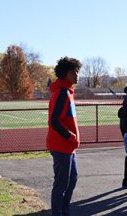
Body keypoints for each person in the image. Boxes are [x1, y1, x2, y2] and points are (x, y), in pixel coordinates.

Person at [46, 57, 81, 216]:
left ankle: (64, 211)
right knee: (61, 184)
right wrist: (70, 136)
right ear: (64, 74)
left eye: (77, 71)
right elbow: (54, 121)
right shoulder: (62, 92)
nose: (77, 74)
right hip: (62, 146)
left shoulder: (67, 91)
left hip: (68, 147)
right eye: (73, 71)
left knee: (72, 180)